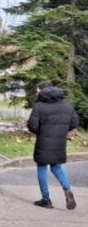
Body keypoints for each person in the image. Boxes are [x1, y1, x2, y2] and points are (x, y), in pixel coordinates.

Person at [27, 82, 79, 210]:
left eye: (38, 90)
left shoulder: (39, 106)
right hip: (60, 142)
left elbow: (33, 126)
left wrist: (41, 131)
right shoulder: (66, 105)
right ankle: (67, 190)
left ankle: (46, 200)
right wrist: (62, 131)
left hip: (43, 142)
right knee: (57, 167)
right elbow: (74, 122)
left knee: (42, 168)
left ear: (43, 91)